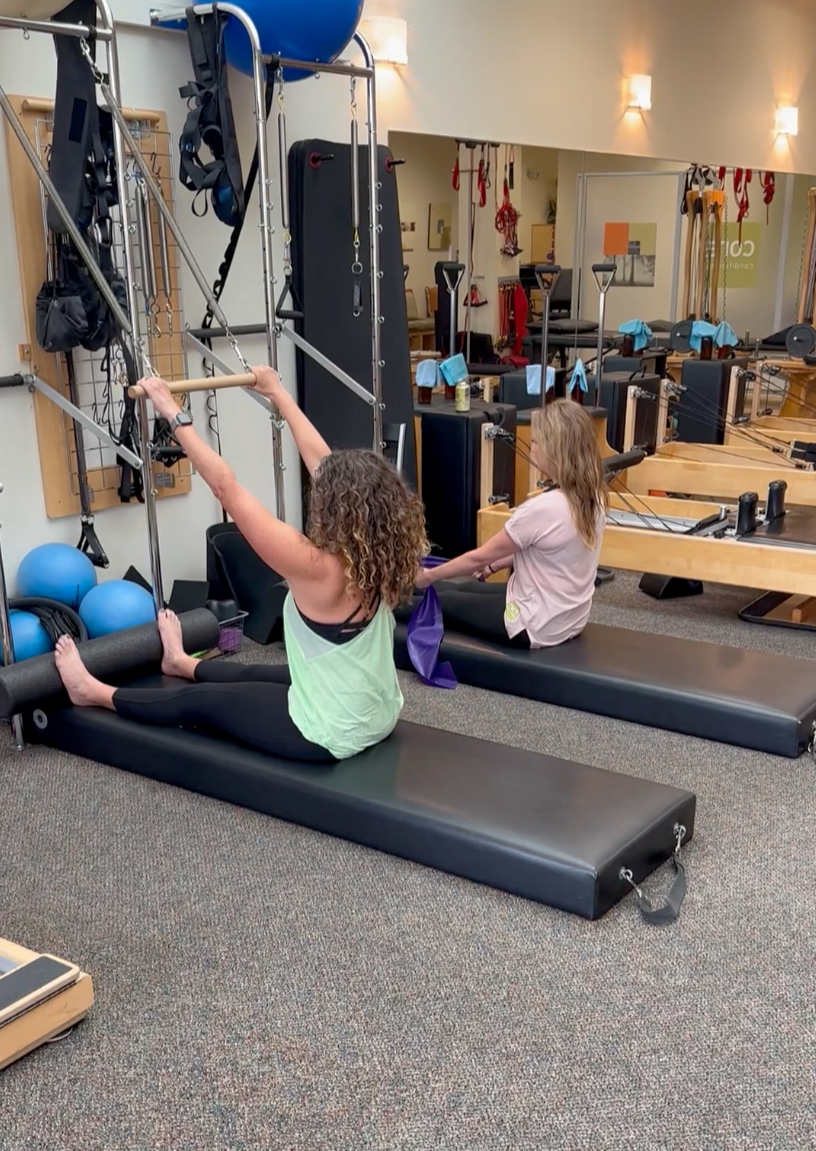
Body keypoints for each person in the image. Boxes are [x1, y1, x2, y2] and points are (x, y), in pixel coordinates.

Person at [53, 367, 429, 763]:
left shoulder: (315, 567)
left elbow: (226, 489)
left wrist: (171, 411)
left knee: (200, 702)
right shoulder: (380, 554)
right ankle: (180, 662)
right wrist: (278, 393)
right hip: (377, 713)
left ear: (337, 508)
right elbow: (325, 464)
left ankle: (92, 692)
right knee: (255, 674)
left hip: (329, 732)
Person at [408, 399, 606, 649]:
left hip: (532, 624)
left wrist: (428, 576)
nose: (532, 448)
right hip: (569, 618)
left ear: (554, 451)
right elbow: (556, 550)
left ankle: (371, 609)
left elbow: (477, 558)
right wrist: (499, 563)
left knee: (441, 601)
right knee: (460, 590)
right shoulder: (594, 497)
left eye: (536, 442)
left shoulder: (544, 508)